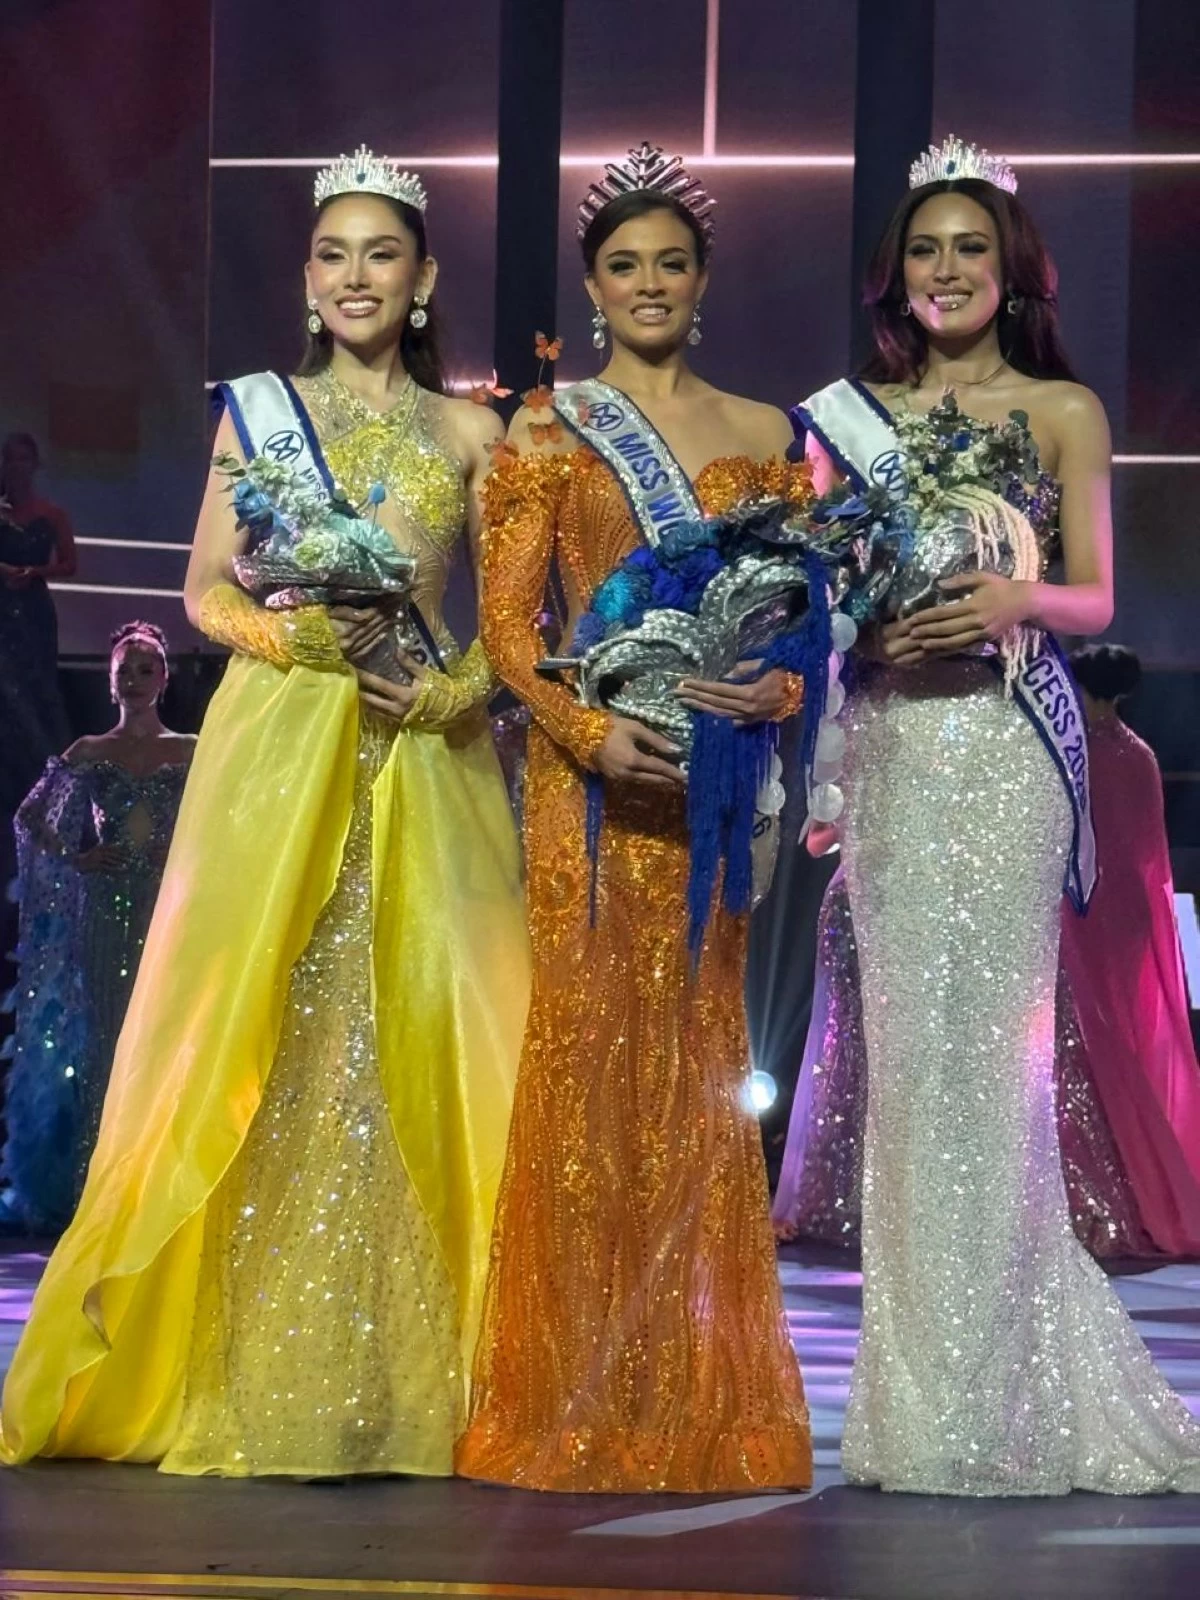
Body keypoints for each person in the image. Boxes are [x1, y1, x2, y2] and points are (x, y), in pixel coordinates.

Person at [0, 147, 529, 1478]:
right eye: (334, 254)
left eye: (382, 255)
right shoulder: (254, 412)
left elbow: (526, 630)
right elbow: (199, 592)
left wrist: (460, 688)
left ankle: (420, 1374)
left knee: (418, 1028)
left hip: (418, 755)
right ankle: (234, 1361)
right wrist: (283, 645)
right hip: (278, 739)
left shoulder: (474, 434)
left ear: (423, 283)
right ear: (307, 279)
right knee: (263, 1022)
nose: (357, 275)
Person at [793, 136, 1200, 1494]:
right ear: (895, 277)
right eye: (925, 249)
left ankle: (1010, 1394)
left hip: (1006, 753)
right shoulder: (847, 421)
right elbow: (816, 612)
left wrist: (1021, 599)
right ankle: (916, 1413)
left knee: (1000, 1078)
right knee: (911, 1077)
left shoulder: (1064, 410)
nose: (948, 268)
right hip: (900, 757)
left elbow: (1094, 598)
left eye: (972, 246)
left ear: (1011, 266)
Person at [457, 144, 811, 1494]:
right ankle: (574, 1400)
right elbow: (504, 630)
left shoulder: (771, 436)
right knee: (590, 1066)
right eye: (625, 265)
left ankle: (693, 1401)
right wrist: (595, 734)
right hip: (589, 797)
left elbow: (804, 628)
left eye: (672, 261)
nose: (650, 282)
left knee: (696, 1068)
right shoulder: (548, 431)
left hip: (714, 793)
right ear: (593, 287)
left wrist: (773, 690)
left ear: (703, 279)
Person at [1, 623, 193, 1235]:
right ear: (110, 683)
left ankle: (159, 1181)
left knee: (167, 1038)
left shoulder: (192, 749)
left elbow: (225, 817)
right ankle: (101, 1186)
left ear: (164, 678)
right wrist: (77, 857)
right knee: (109, 1038)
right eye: (124, 671)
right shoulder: (89, 750)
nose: (133, 680)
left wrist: (183, 853)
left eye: (145, 669)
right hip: (107, 907)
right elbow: (31, 817)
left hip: (170, 912)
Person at [1059, 644, 1200, 1256]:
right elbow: (1151, 856)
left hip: (1082, 909)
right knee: (1123, 1045)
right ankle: (1139, 1187)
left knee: (1089, 1044)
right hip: (1128, 917)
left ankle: (1101, 1191)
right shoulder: (1139, 755)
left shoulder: (1073, 753)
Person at [0, 432, 75, 815]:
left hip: (32, 610)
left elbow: (70, 563)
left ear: (35, 464)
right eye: (9, 458)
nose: (16, 466)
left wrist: (35, 571)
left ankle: (45, 782)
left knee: (37, 688)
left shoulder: (51, 513)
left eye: (23, 458)